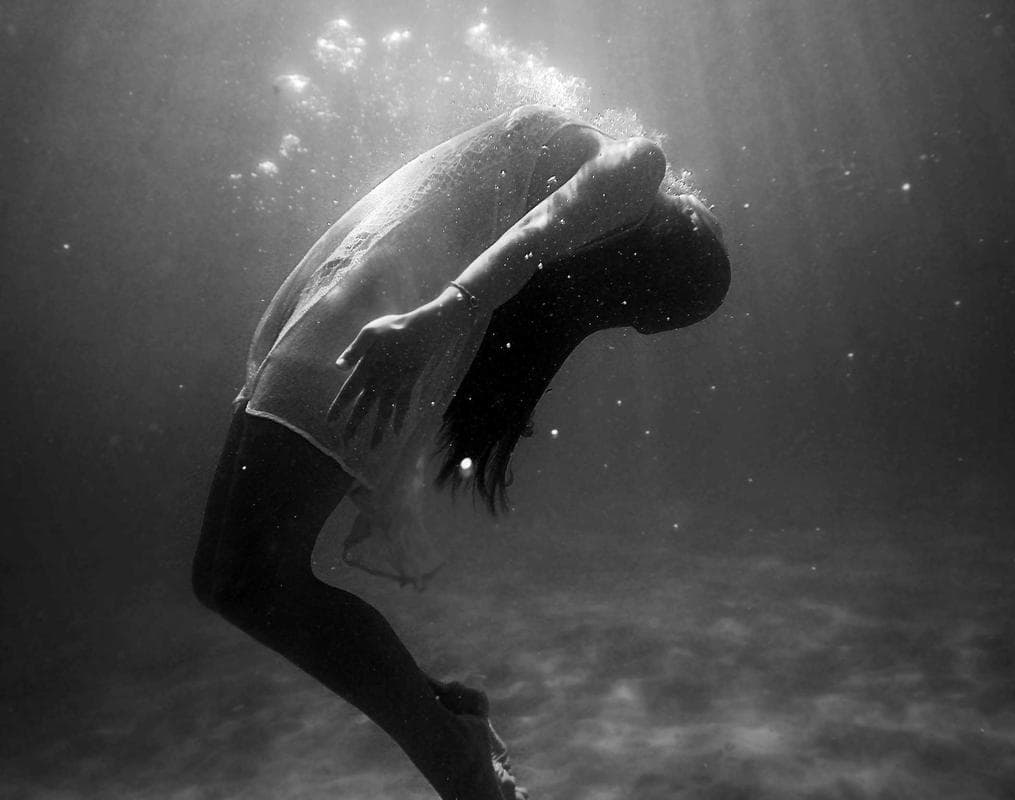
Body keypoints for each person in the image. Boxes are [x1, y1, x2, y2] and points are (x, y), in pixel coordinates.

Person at [192, 105, 730, 799]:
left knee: (244, 578)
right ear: (658, 266)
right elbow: (536, 234)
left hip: (385, 303)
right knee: (226, 578)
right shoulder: (638, 167)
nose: (619, 315)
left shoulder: (610, 170)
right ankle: (448, 732)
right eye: (638, 310)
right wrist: (434, 318)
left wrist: (432, 321)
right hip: (383, 301)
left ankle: (454, 756)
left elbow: (522, 236)